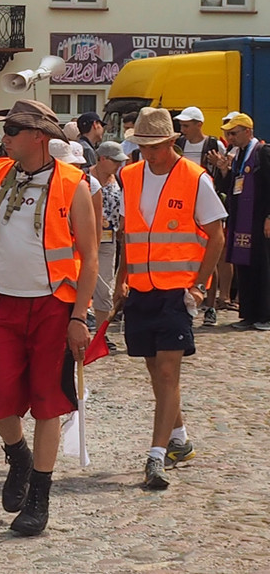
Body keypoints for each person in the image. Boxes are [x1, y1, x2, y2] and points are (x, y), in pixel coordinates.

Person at [0, 99, 98, 537]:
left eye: (13, 130)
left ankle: (39, 495)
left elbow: (90, 257)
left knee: (47, 404)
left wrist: (80, 315)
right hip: (0, 302)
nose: (5, 137)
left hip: (54, 306)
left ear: (39, 136)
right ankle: (17, 454)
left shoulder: (73, 183)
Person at [113, 107, 226, 490]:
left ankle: (155, 456)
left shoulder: (195, 178)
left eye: (155, 146)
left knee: (166, 373)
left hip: (176, 292)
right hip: (142, 289)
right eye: (142, 146)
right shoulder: (129, 175)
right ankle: (179, 440)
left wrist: (199, 284)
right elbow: (130, 231)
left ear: (171, 141)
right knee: (155, 374)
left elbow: (217, 235)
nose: (148, 153)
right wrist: (121, 279)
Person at [210, 113, 270, 330]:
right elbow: (229, 189)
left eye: (234, 133)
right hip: (241, 219)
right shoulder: (238, 155)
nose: (230, 138)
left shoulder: (262, 153)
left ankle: (264, 314)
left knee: (262, 266)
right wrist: (224, 170)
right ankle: (249, 313)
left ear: (248, 132)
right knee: (244, 265)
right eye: (228, 134)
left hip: (259, 218)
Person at [174, 106, 230, 325]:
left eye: (186, 125)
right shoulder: (180, 144)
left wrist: (221, 166)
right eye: (181, 125)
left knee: (210, 253)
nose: (183, 129)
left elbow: (226, 174)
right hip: (182, 203)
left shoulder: (213, 144)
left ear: (199, 124)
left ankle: (211, 304)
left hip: (206, 203)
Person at [92, 141, 126, 347]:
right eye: (115, 161)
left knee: (104, 287)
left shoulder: (118, 179)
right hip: (85, 239)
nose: (119, 165)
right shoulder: (86, 178)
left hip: (108, 240)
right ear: (102, 159)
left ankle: (100, 333)